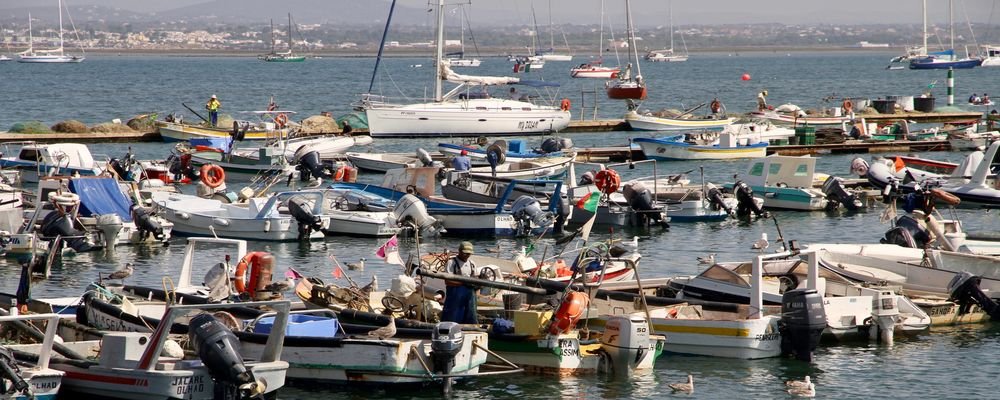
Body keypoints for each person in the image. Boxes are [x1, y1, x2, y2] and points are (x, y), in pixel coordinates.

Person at [441, 241, 478, 325]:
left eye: (469, 254)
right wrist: (463, 283)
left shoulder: (472, 264)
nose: (467, 255)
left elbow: (475, 280)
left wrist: (476, 287)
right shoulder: (451, 263)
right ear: (459, 251)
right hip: (455, 296)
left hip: (469, 297)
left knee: (470, 315)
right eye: (465, 253)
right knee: (452, 316)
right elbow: (447, 281)